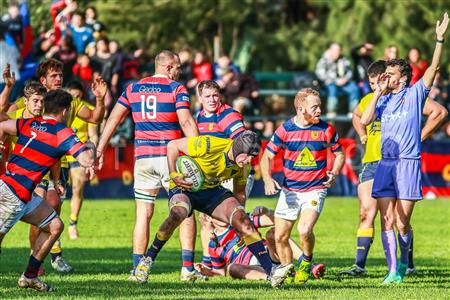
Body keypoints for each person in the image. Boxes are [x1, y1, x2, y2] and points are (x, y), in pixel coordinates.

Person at [96, 50, 200, 281]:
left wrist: (100, 149)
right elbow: (185, 120)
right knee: (186, 209)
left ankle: (136, 270)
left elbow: (113, 119)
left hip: (143, 158)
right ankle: (187, 269)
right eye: (178, 67)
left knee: (143, 214)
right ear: (168, 67)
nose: (180, 71)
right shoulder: (176, 89)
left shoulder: (133, 88)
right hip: (169, 157)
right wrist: (199, 150)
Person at [360, 12, 448, 284]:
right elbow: (364, 120)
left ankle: (405, 259)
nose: (385, 76)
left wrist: (439, 39)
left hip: (408, 162)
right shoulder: (382, 100)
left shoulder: (414, 94)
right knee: (386, 219)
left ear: (403, 77)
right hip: (385, 163)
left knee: (402, 222)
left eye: (390, 74)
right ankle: (392, 272)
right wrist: (377, 92)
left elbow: (432, 69)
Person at [342, 60, 448, 276]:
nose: (374, 86)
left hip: (399, 161)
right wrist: (362, 132)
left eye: (378, 80)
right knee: (366, 213)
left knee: (400, 220)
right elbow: (357, 116)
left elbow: (439, 111)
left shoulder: (406, 97)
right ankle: (360, 265)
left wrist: (420, 136)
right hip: (373, 162)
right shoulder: (373, 99)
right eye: (371, 83)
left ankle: (406, 263)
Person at [134, 131, 275, 285]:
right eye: (247, 156)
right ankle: (147, 260)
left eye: (252, 157)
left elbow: (239, 194)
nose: (249, 160)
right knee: (177, 213)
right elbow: (172, 145)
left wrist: (239, 222)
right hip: (185, 187)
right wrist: (174, 174)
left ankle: (272, 272)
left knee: (243, 220)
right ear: (237, 149)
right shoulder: (209, 144)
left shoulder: (243, 167)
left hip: (211, 192)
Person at [7, 58, 106, 273]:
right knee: (41, 205)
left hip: (57, 164)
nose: (59, 78)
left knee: (54, 209)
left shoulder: (69, 100)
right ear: (43, 79)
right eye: (54, 75)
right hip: (32, 166)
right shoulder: (33, 99)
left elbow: (96, 118)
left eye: (61, 74)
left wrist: (99, 99)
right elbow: (4, 115)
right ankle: (38, 259)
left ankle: (43, 259)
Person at [0, 89, 95, 292]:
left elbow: (2, 126)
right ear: (65, 111)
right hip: (13, 195)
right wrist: (92, 146)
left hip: (21, 194)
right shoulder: (63, 131)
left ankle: (30, 276)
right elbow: (87, 160)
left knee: (55, 225)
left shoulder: (30, 123)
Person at [260, 88, 345, 288]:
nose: (319, 111)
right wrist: (267, 178)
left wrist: (334, 172)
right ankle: (287, 269)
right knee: (280, 237)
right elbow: (267, 156)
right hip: (290, 190)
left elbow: (340, 154)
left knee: (304, 229)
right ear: (301, 108)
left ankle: (306, 261)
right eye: (314, 107)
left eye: (320, 107)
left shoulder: (326, 129)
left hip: (315, 189)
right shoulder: (285, 130)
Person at [197, 206, 325, 281]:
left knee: (275, 233)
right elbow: (220, 273)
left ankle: (309, 265)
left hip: (269, 254)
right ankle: (274, 277)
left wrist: (266, 210)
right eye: (217, 211)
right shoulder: (213, 245)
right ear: (209, 217)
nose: (223, 212)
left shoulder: (240, 222)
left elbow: (278, 221)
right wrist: (206, 272)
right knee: (232, 268)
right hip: (252, 268)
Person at [195, 80, 246, 269]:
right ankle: (209, 263)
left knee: (229, 219)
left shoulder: (228, 115)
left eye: (215, 95)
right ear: (200, 98)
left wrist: (239, 157)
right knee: (204, 219)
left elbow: (242, 141)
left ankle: (241, 259)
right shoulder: (197, 118)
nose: (212, 100)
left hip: (232, 173)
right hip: (210, 176)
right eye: (207, 96)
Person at [66, 80, 99, 240]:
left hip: (79, 154)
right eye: (73, 96)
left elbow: (93, 134)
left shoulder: (87, 110)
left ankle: (72, 223)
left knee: (77, 188)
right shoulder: (60, 108)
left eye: (78, 96)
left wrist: (92, 154)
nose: (76, 99)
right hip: (61, 154)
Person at [315, 43, 360, 118]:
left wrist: (345, 79)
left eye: (339, 50)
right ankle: (331, 111)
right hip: (329, 84)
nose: (337, 52)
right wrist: (335, 80)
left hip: (344, 83)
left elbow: (350, 72)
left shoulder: (344, 60)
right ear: (330, 50)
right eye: (335, 50)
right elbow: (320, 73)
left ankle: (353, 111)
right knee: (332, 88)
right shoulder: (324, 60)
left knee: (354, 88)